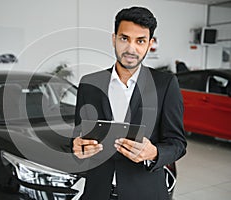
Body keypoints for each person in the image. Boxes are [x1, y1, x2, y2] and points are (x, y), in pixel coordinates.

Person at [72, 6, 187, 200]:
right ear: (114, 39)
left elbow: (178, 144)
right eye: (124, 38)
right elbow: (78, 135)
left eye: (140, 41)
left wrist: (154, 152)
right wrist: (76, 147)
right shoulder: (89, 84)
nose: (131, 48)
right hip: (97, 192)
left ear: (150, 44)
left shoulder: (165, 84)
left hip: (146, 193)